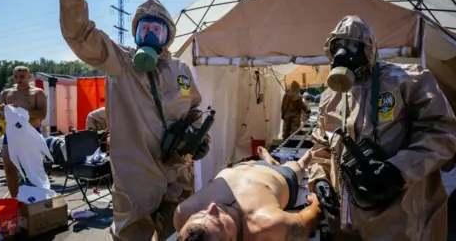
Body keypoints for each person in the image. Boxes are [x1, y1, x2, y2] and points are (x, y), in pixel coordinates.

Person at [60, 0, 209, 240]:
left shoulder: (180, 70)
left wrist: (200, 135)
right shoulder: (120, 62)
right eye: (144, 29)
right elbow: (80, 35)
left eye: (156, 29)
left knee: (178, 232)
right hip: (135, 178)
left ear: (168, 36)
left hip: (177, 172)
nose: (150, 34)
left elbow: (194, 108)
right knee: (131, 235)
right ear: (136, 33)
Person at [307, 15, 456, 241]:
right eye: (336, 46)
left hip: (398, 221)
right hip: (343, 221)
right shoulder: (330, 97)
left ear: (368, 48)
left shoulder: (407, 81)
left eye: (351, 46)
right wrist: (320, 181)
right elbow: (321, 145)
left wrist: (397, 170)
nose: (342, 53)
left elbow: (442, 132)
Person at [174, 146, 321, 241]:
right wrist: (315, 201)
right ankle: (302, 161)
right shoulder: (266, 226)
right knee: (297, 166)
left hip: (241, 166)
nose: (212, 207)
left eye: (200, 214)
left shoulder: (184, 214)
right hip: (279, 176)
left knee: (265, 162)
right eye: (218, 220)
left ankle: (268, 159)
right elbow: (307, 220)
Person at [0, 66, 48, 198]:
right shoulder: (6, 93)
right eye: (16, 77)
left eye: (22, 77)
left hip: (31, 132)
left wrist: (20, 111)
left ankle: (39, 198)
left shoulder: (38, 93)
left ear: (29, 77)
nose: (19, 79)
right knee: (9, 167)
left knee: (34, 169)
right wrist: (3, 111)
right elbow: (0, 116)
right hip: (12, 134)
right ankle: (15, 199)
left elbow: (42, 114)